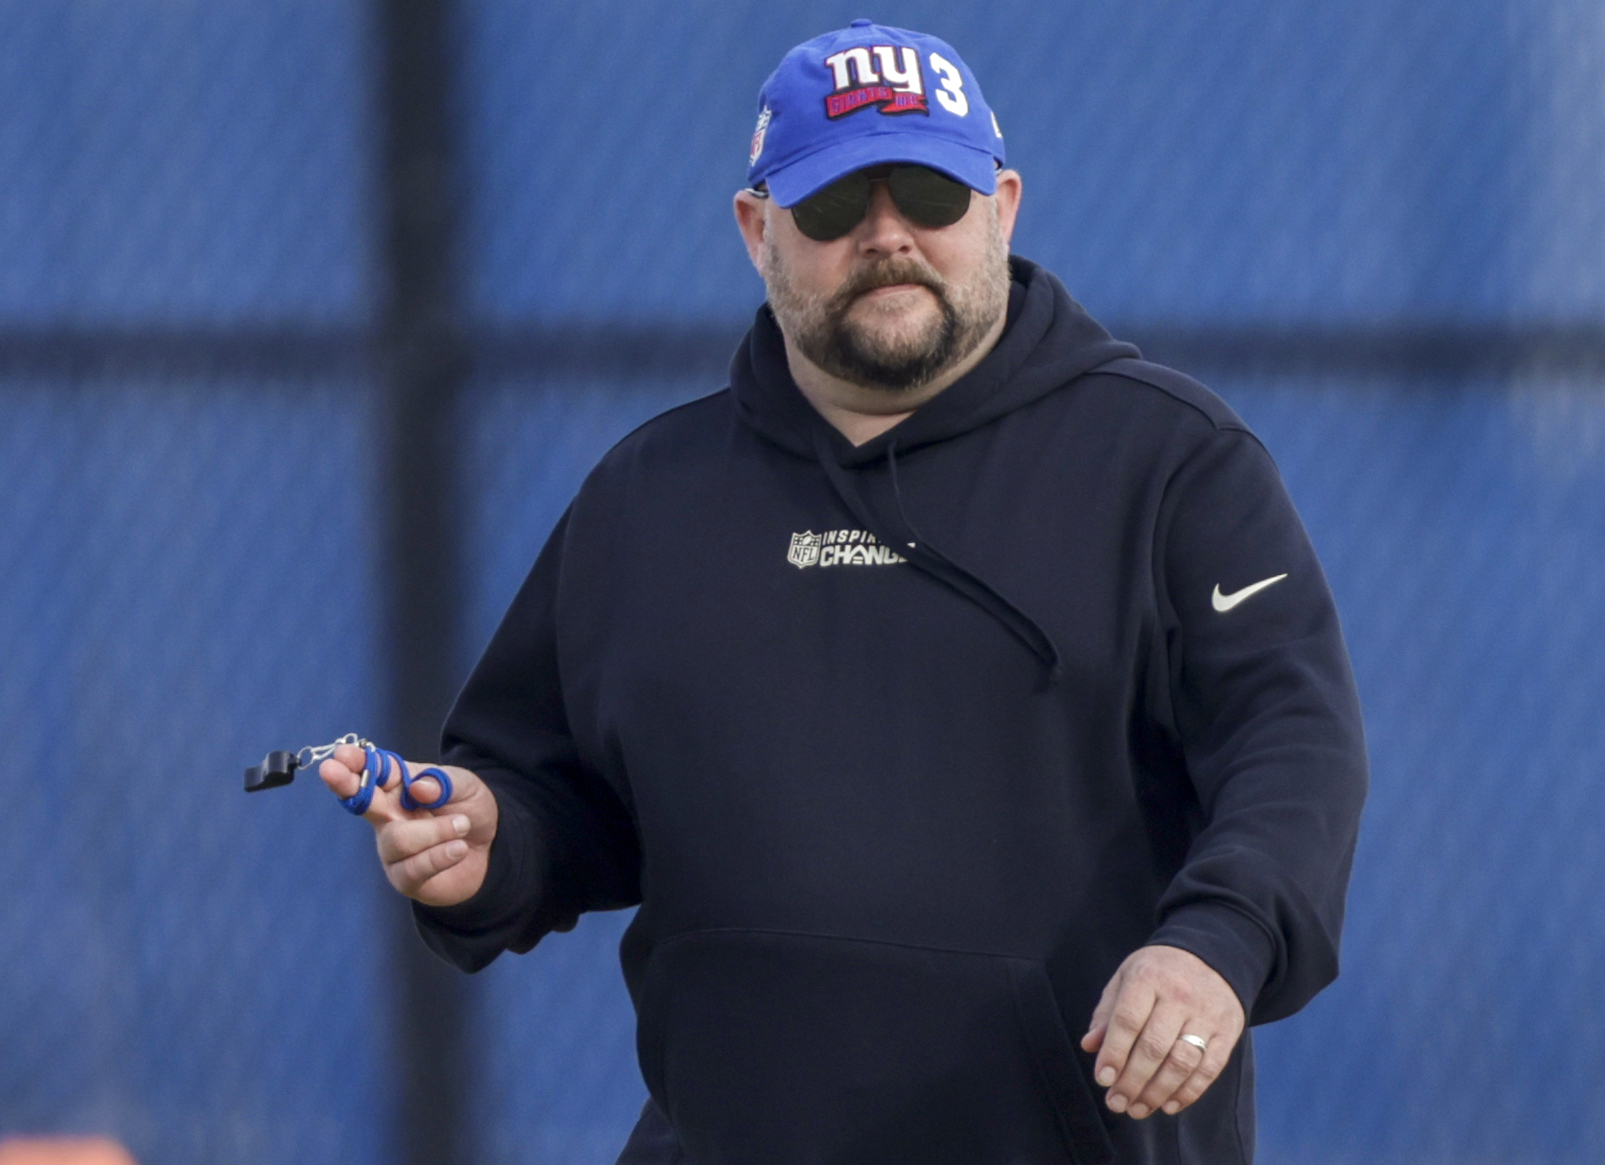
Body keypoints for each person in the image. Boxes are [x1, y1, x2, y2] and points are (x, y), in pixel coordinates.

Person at [320, 20, 1367, 1165]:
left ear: (1003, 208)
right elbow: (542, 789)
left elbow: (1293, 741)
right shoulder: (649, 495)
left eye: (929, 192)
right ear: (757, 230)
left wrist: (1217, 941)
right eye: (833, 207)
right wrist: (486, 848)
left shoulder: (1169, 464)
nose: (888, 236)